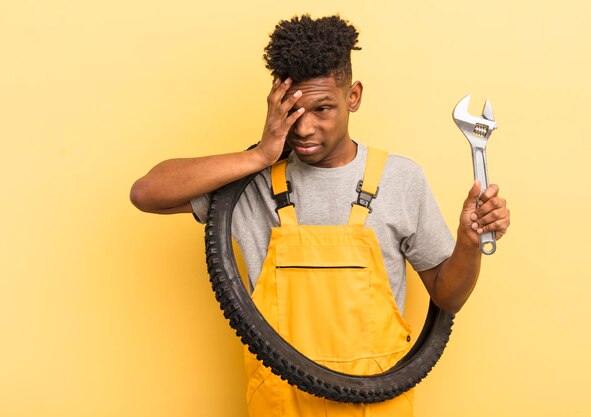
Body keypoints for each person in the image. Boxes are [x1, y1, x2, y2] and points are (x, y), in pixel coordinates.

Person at [130, 14, 510, 417]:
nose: (306, 128)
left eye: (323, 108)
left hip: (376, 403)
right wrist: (260, 154)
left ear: (354, 96)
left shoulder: (401, 179)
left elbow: (447, 296)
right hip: (279, 402)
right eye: (293, 111)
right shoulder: (251, 183)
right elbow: (147, 193)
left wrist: (469, 244)